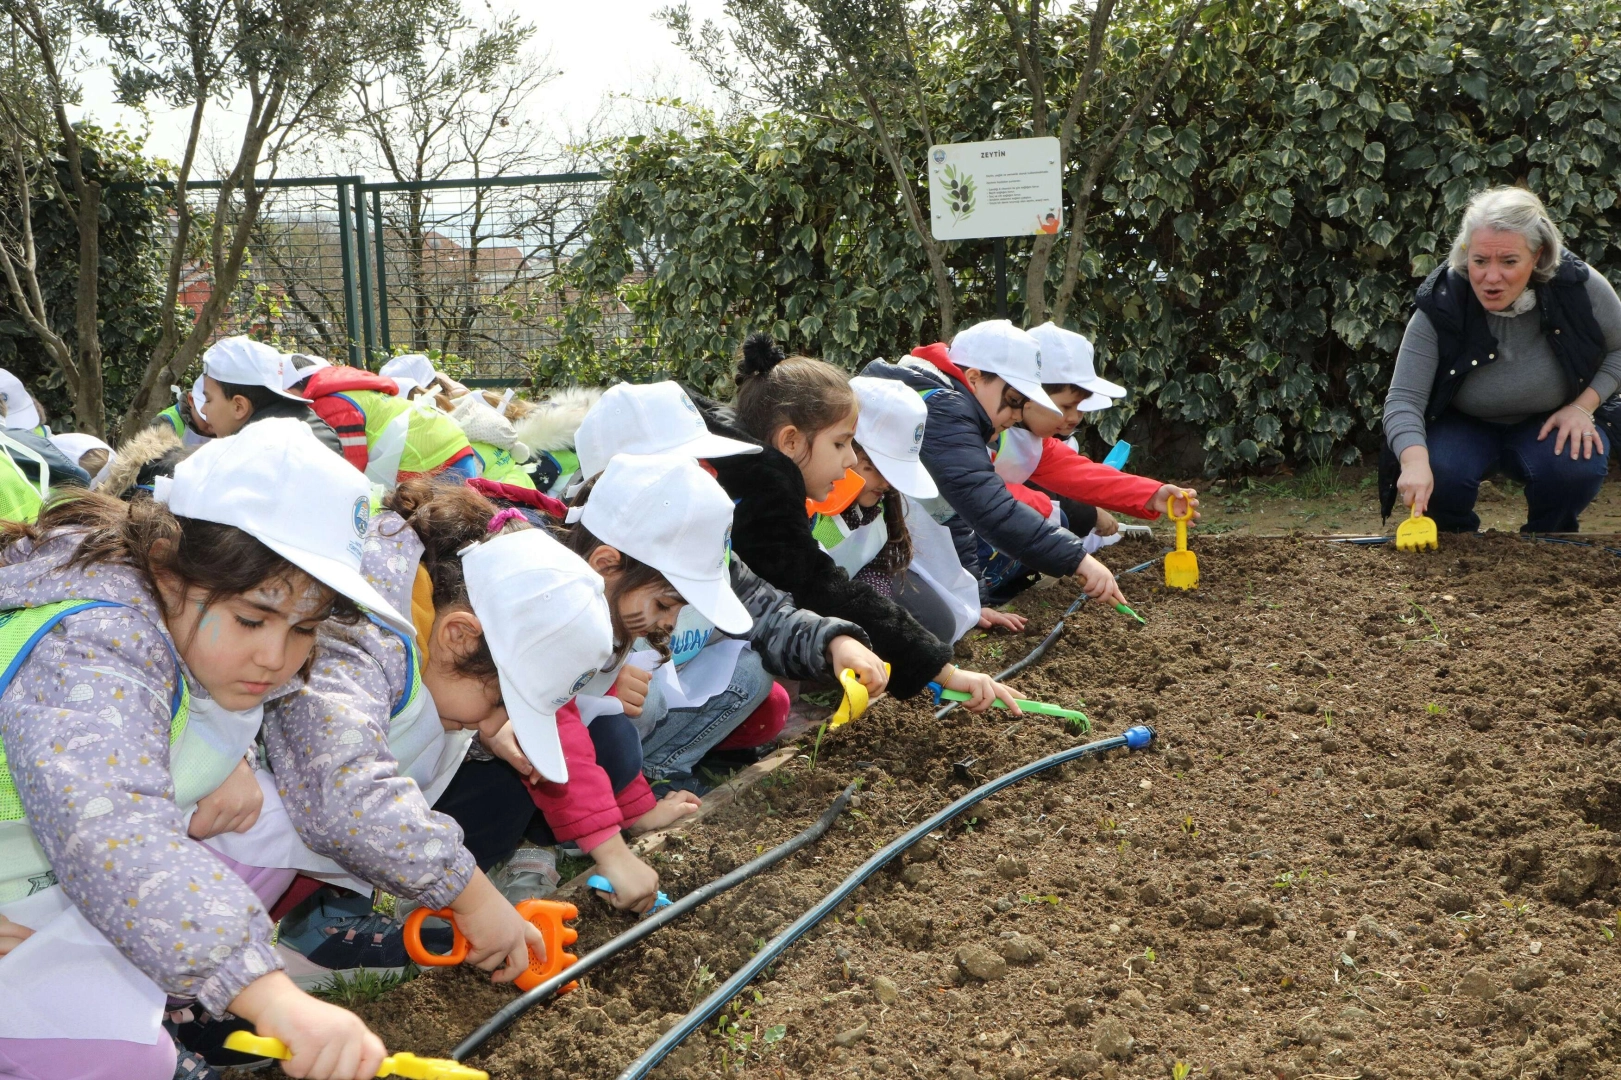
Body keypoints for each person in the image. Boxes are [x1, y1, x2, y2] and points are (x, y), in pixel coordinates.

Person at [0, 420, 540, 1080]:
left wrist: (228, 761)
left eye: (304, 629)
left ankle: (171, 995)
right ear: (168, 568)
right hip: (58, 866)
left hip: (39, 871)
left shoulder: (175, 618)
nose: (275, 658)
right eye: (253, 619)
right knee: (124, 1062)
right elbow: (113, 834)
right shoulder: (92, 638)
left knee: (256, 816)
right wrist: (271, 993)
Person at [566, 386, 884, 792]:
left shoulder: (696, 537)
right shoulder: (578, 558)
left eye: (703, 462)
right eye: (688, 464)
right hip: (612, 712)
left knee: (753, 674)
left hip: (660, 693)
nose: (707, 473)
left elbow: (765, 611)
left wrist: (834, 642)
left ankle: (659, 769)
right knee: (642, 702)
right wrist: (599, 681)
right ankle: (605, 794)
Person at [691, 334, 1018, 711]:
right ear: (791, 441)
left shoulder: (748, 467)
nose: (849, 461)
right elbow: (821, 587)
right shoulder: (765, 490)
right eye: (841, 443)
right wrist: (943, 672)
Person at [1382, 186, 1621, 533]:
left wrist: (1583, 406)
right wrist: (1413, 460)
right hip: (1461, 426)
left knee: (1576, 462)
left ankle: (1550, 540)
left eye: (1509, 261)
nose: (1491, 277)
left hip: (1546, 423)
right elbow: (1403, 399)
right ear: (1466, 254)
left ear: (1538, 256)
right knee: (1439, 467)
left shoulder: (1579, 287)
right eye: (1479, 261)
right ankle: (1453, 539)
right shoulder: (1442, 301)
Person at [862, 320, 1129, 607]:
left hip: (879, 546)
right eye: (1014, 399)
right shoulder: (945, 410)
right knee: (937, 626)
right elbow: (987, 506)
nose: (1017, 415)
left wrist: (976, 604)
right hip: (860, 554)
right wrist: (1078, 559)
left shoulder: (944, 399)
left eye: (1023, 403)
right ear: (975, 377)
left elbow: (956, 513)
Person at [828, 376, 1014, 645]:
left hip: (860, 580)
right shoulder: (817, 502)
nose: (886, 483)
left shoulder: (883, 499)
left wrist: (973, 607)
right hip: (814, 604)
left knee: (939, 624)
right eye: (874, 468)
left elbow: (893, 561)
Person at [1011, 322, 1198, 545]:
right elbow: (985, 493)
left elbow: (1083, 476)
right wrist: (1054, 517)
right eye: (1066, 407)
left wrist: (1152, 494)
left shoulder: (1035, 441)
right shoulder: (989, 433)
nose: (1075, 418)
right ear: (1027, 395)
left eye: (1080, 407)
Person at [294, 360, 477, 486]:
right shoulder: (352, 391)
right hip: (448, 450)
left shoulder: (331, 404)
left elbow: (350, 473)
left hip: (431, 463)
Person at [197, 338, 346, 459]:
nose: (203, 409)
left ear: (239, 407)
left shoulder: (245, 457)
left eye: (208, 400)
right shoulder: (318, 431)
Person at [151, 378, 217, 448]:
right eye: (205, 416)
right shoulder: (164, 424)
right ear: (191, 400)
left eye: (218, 418)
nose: (213, 425)